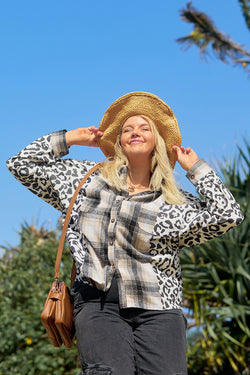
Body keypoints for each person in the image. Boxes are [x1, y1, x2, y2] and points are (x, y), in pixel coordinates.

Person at [6, 92, 244, 375]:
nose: (135, 132)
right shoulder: (86, 181)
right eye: (127, 128)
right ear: (118, 140)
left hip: (159, 308)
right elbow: (21, 164)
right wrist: (69, 138)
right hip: (97, 305)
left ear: (157, 140)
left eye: (145, 128)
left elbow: (228, 214)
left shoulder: (174, 202)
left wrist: (196, 170)